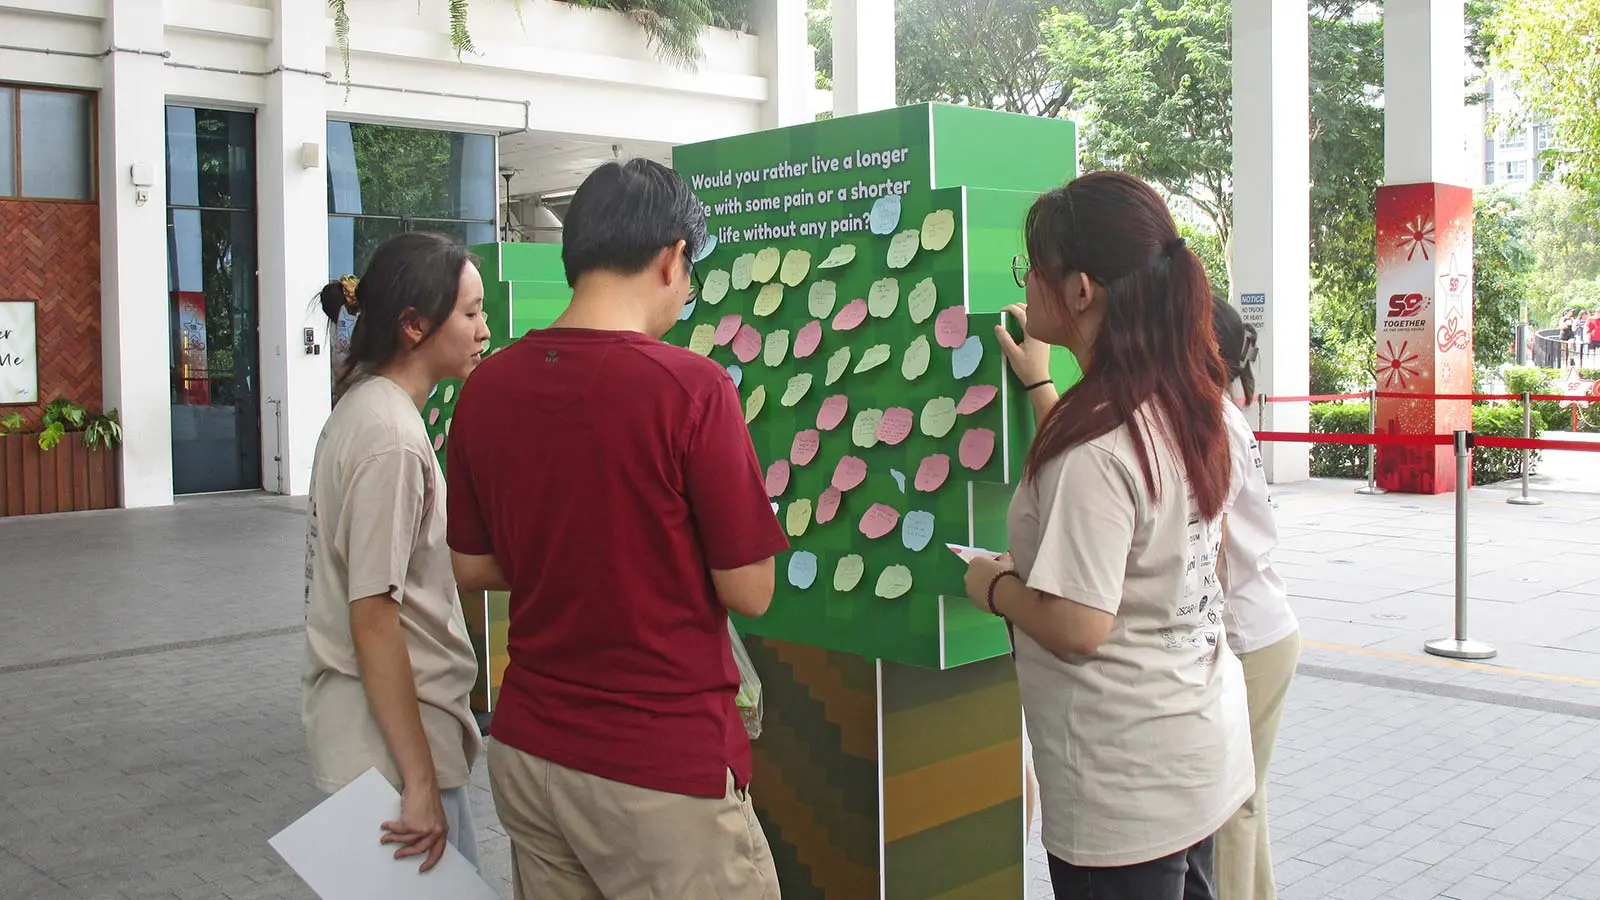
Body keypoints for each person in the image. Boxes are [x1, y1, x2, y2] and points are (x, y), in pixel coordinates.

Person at [445, 158, 788, 900]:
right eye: (690, 268)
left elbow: (470, 566)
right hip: (659, 768)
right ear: (671, 259)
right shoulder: (691, 389)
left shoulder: (487, 388)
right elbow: (751, 589)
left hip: (532, 749)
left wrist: (576, 555)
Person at [970, 170, 1253, 900]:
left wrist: (996, 586)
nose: (1026, 284)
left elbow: (1078, 625)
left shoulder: (1095, 447)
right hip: (1198, 747)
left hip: (1124, 784)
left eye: (1031, 268)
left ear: (1081, 290)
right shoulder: (1192, 403)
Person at [300, 232, 493, 873]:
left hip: (373, 742)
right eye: (469, 313)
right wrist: (416, 782)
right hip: (389, 761)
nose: (483, 330)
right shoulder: (393, 440)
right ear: (414, 325)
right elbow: (373, 616)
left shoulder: (366, 411)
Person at [1209, 297, 1300, 900]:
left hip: (1251, 638)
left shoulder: (1210, 422)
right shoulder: (1218, 413)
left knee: (1231, 806)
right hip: (1262, 629)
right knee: (1246, 797)